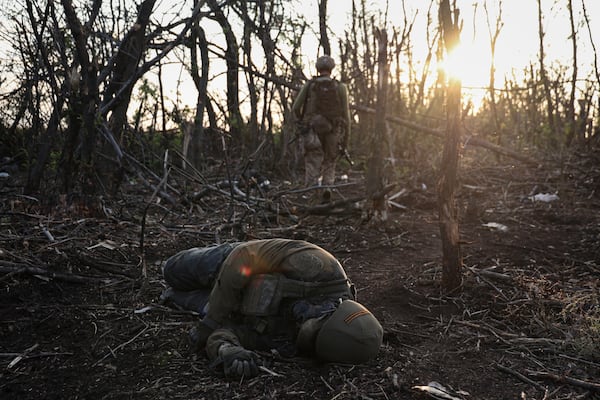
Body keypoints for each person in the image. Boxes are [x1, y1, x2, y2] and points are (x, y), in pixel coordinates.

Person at [161, 238, 383, 378]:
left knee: (173, 295)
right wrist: (210, 322)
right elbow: (246, 255)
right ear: (333, 308)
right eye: (316, 320)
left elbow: (229, 333)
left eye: (310, 340)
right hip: (233, 264)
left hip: (231, 305)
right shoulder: (322, 268)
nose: (301, 322)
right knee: (171, 270)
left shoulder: (290, 342)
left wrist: (227, 351)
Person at [292, 55, 351, 199]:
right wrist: (345, 141)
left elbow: (295, 108)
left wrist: (302, 122)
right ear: (332, 69)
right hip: (333, 130)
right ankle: (327, 189)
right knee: (330, 161)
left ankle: (311, 195)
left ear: (317, 69)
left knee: (313, 161)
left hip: (312, 130)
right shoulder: (340, 87)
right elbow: (347, 117)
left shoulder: (310, 85)